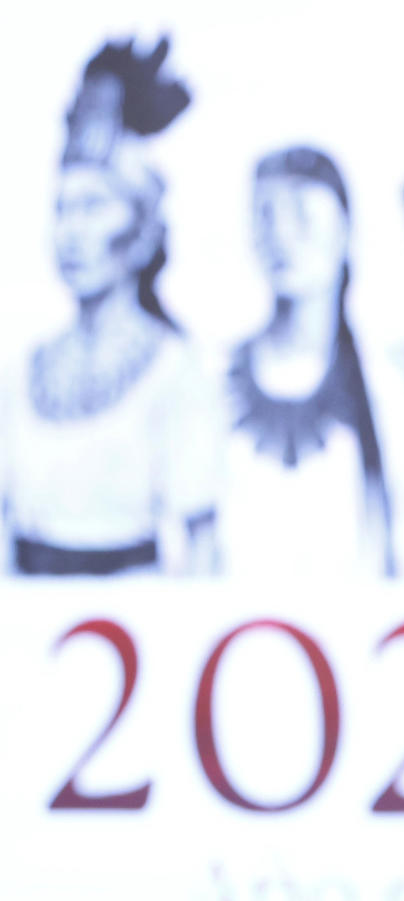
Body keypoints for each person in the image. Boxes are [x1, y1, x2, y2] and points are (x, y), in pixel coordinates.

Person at [0, 37, 220, 575]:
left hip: (133, 629)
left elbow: (202, 550)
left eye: (93, 208)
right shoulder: (25, 369)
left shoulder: (175, 369)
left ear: (141, 229)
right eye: (63, 211)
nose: (73, 233)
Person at [220, 145, 404, 578]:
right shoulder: (211, 384)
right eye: (266, 215)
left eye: (302, 215)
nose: (282, 235)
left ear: (345, 232)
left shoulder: (387, 398)